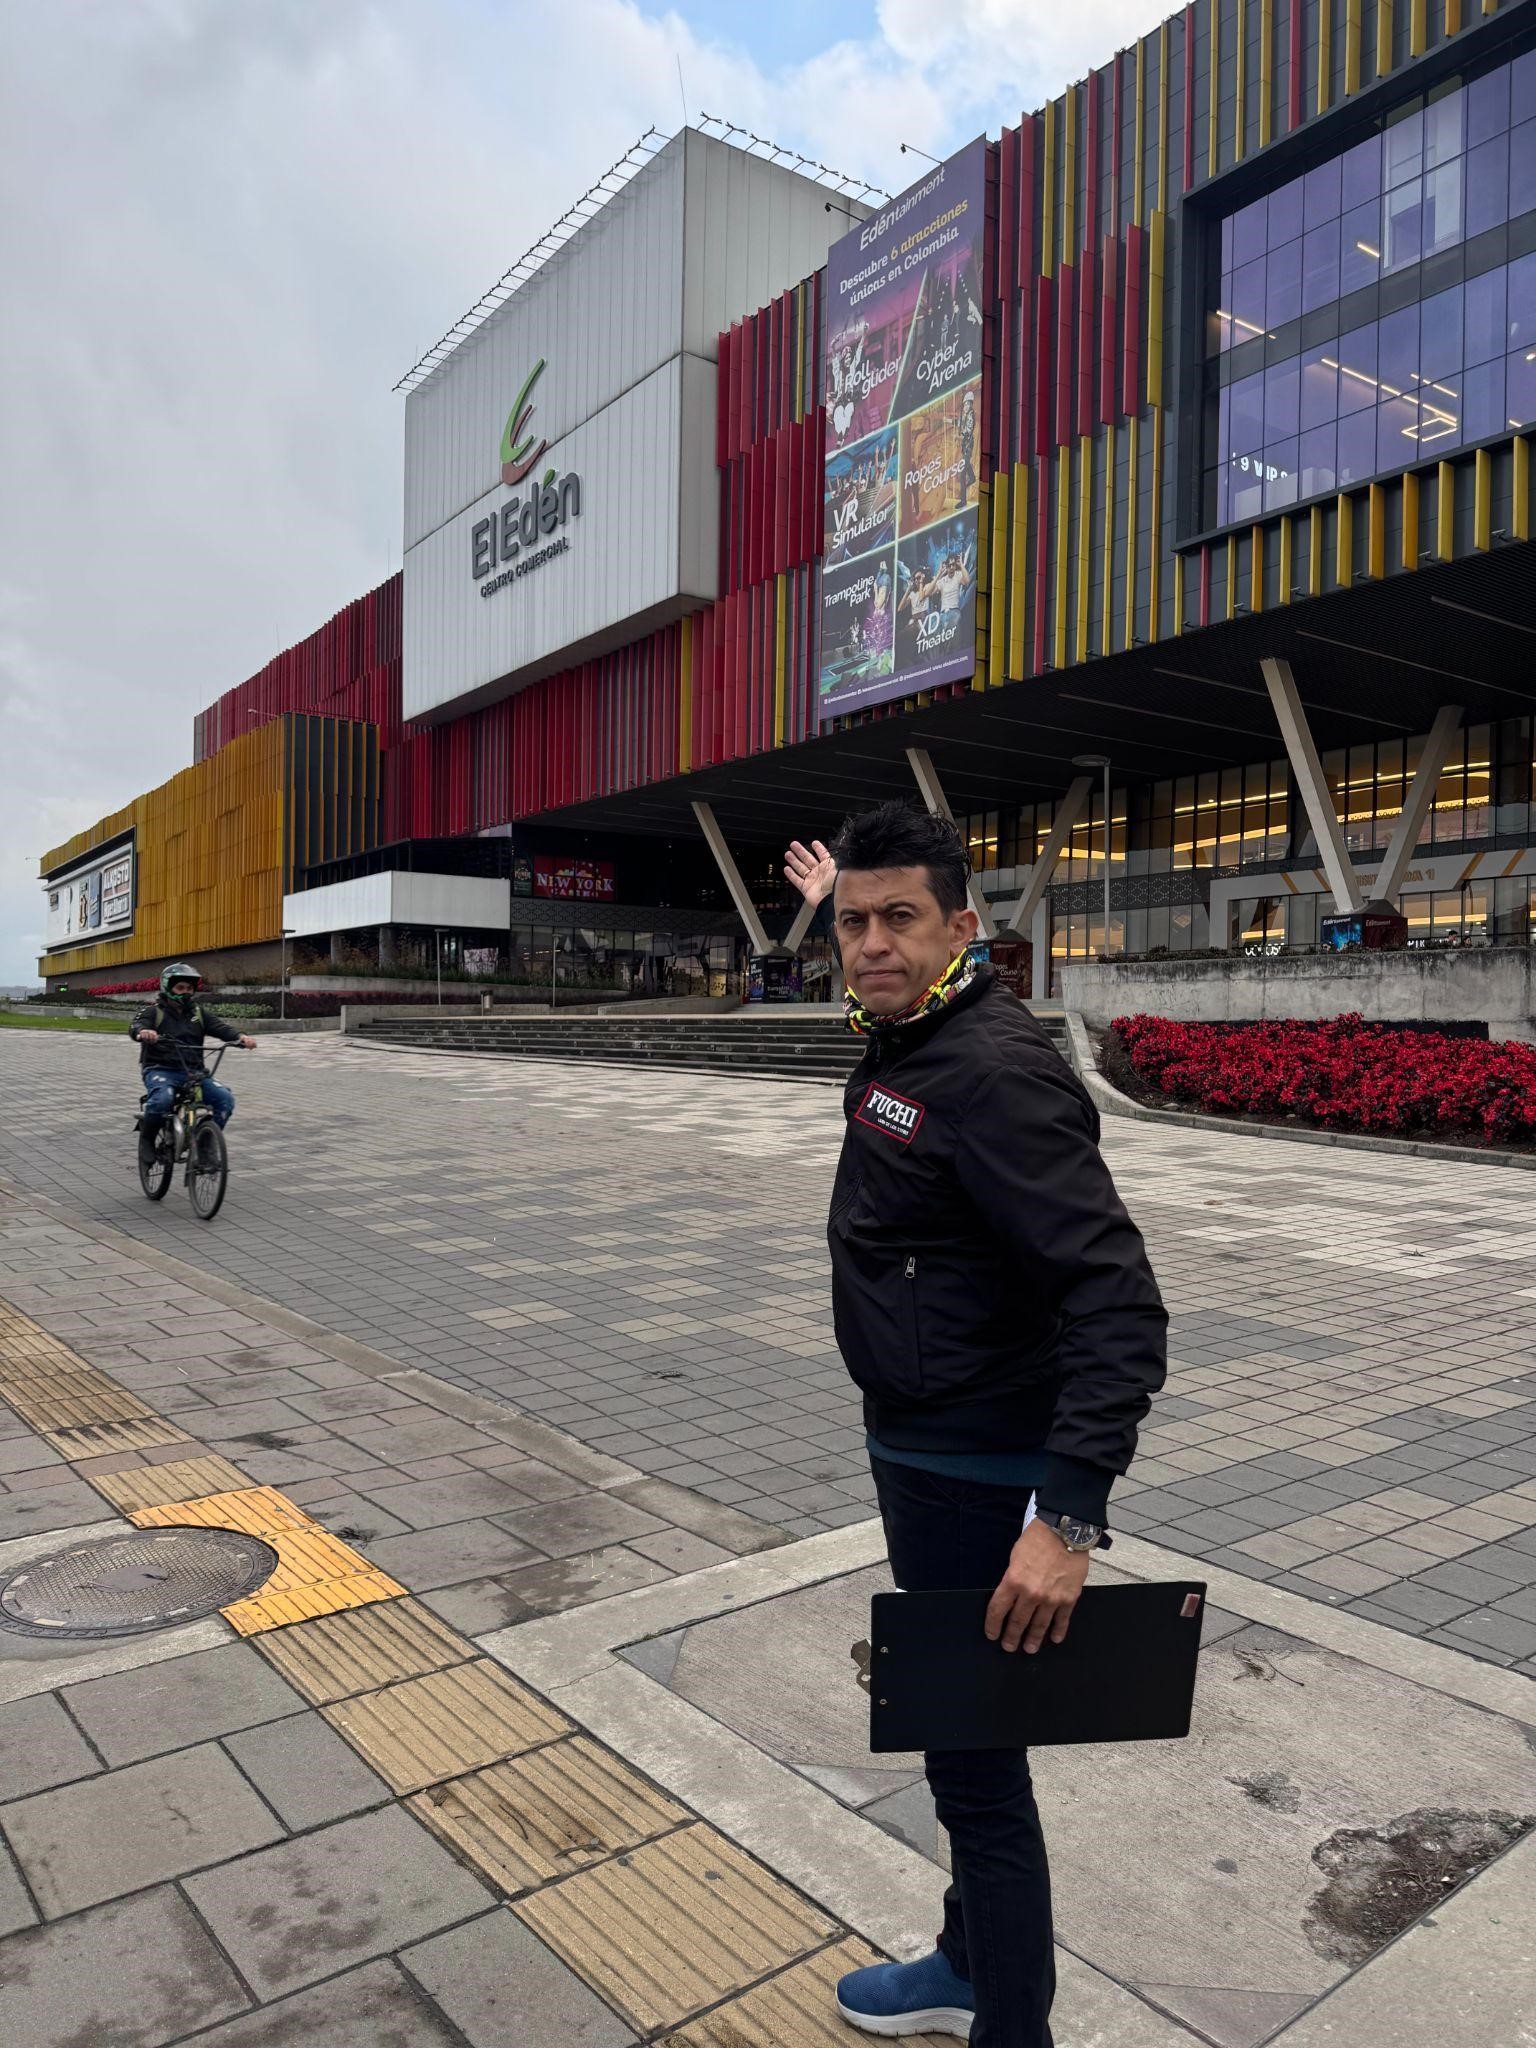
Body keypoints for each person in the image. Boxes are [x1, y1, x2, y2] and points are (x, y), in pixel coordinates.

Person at [783, 804, 1167, 2048]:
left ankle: (1012, 2025)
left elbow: (1118, 1301)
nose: (871, 943)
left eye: (901, 918)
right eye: (854, 920)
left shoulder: (991, 1069)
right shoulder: (908, 1035)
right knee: (969, 1751)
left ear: (964, 926)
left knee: (978, 1775)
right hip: (920, 1443)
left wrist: (1066, 1515)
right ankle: (963, 1957)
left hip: (974, 1470)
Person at [131, 963, 255, 1168]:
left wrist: (240, 1037)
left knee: (225, 1099)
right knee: (162, 1100)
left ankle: (204, 1145)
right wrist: (144, 1032)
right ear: (168, 988)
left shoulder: (198, 1013)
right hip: (160, 1069)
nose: (186, 992)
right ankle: (147, 1139)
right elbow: (136, 1026)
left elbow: (220, 1027)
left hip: (194, 1073)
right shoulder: (153, 1012)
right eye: (181, 988)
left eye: (189, 988)